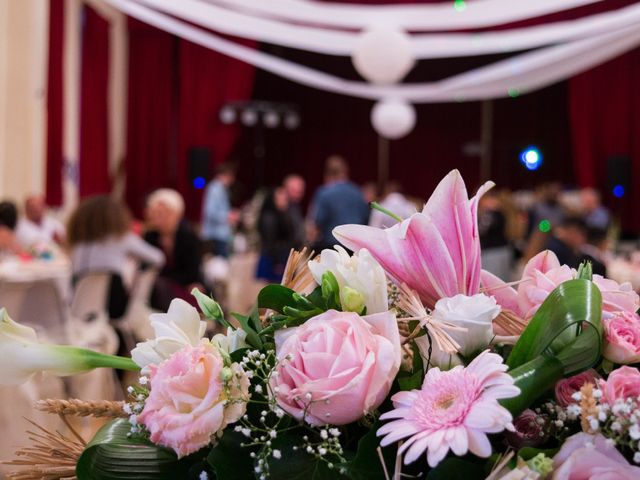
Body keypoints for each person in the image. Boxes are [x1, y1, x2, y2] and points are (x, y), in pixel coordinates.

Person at [67, 195, 165, 319]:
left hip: (79, 308)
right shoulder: (122, 238)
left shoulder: (79, 243)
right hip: (114, 306)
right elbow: (158, 258)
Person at [144, 189, 204, 311]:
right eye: (154, 213)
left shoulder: (188, 236)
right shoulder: (150, 236)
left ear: (177, 214)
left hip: (185, 288)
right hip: (158, 289)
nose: (157, 217)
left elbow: (192, 272)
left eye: (162, 213)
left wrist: (166, 280)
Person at [309, 156, 369, 251]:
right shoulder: (358, 192)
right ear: (346, 172)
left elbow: (318, 221)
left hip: (331, 246)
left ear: (327, 174)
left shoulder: (324, 193)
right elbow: (366, 218)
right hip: (354, 247)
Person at [256, 187, 298, 282]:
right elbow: (270, 242)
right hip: (275, 258)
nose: (284, 202)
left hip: (284, 255)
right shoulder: (269, 218)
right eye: (280, 199)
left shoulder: (285, 214)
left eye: (285, 199)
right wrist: (277, 262)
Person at [201, 163, 238, 258]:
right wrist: (228, 216)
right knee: (219, 268)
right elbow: (210, 213)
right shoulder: (215, 189)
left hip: (220, 235)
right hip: (215, 236)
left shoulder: (222, 189)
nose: (232, 180)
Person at [282, 174, 306, 247]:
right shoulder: (281, 209)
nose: (297, 195)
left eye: (300, 192)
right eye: (294, 191)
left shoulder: (295, 206)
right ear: (285, 189)